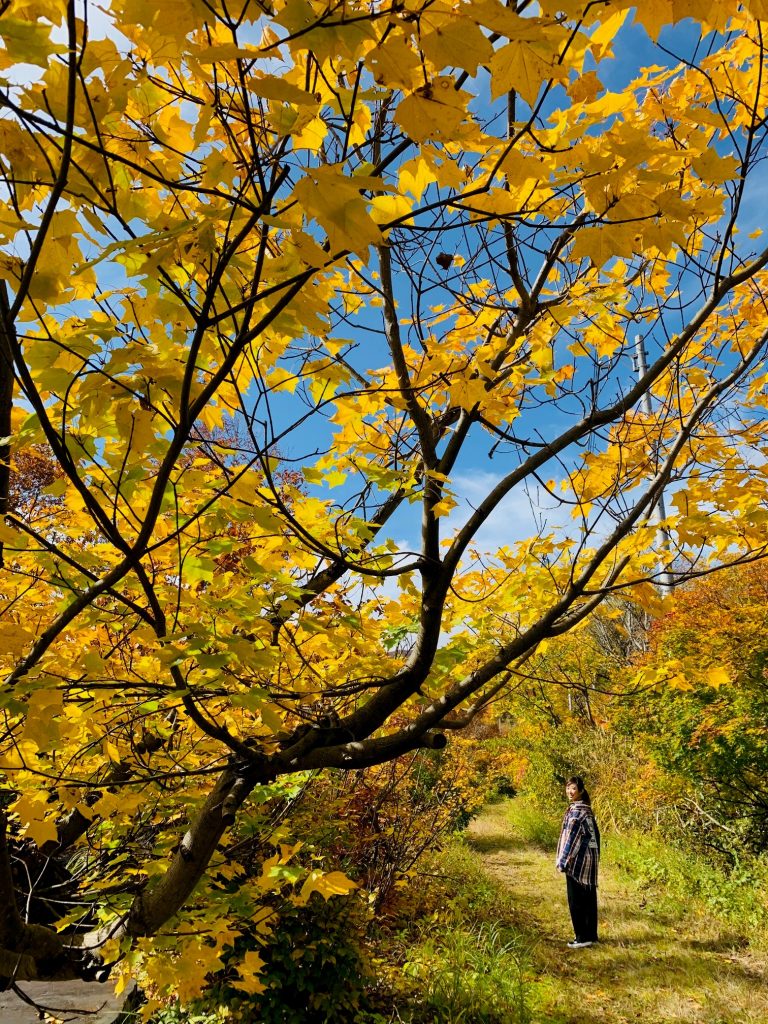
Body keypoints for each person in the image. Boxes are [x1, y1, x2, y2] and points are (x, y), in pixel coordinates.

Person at [556, 775, 600, 948]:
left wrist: (563, 861)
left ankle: (581, 937)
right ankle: (591, 936)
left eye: (573, 788)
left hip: (577, 862)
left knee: (576, 901)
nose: (570, 791)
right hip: (590, 861)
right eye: (568, 787)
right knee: (589, 899)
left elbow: (572, 839)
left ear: (580, 790)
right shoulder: (587, 810)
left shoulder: (576, 812)